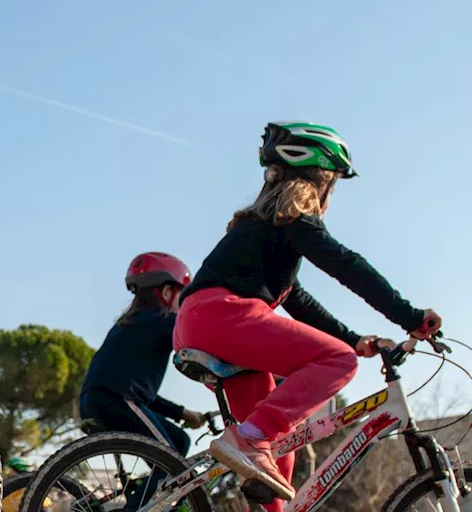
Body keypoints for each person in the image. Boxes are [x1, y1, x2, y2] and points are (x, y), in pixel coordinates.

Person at [174, 121, 441, 510]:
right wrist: (410, 316)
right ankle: (248, 438)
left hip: (202, 324)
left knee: (280, 448)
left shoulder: (266, 227)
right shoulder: (294, 218)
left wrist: (355, 338)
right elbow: (347, 265)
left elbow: (297, 300)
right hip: (222, 317)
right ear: (320, 178)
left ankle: (254, 451)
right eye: (332, 182)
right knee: (337, 361)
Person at [79, 252, 206, 458]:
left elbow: (140, 392)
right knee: (168, 460)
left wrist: (181, 413)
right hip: (118, 401)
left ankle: (146, 490)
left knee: (180, 441)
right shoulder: (164, 323)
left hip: (97, 401)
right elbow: (205, 343)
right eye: (181, 297)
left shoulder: (131, 324)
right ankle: (152, 489)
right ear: (166, 292)